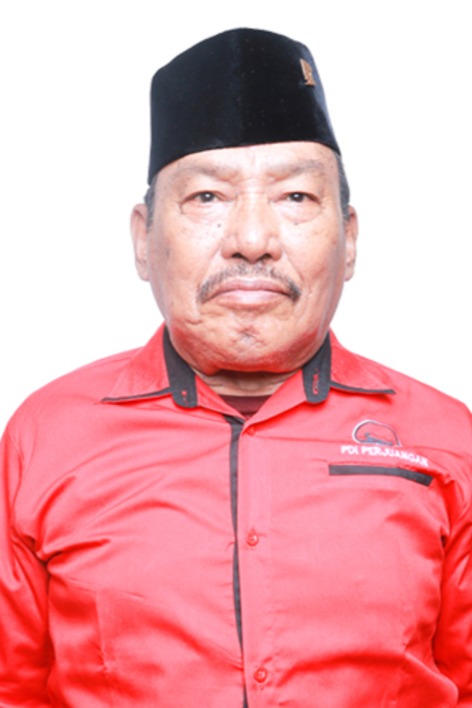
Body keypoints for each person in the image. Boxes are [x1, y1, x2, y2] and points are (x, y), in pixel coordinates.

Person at [0, 27, 471, 707]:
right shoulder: (46, 437)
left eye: (296, 197)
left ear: (349, 240)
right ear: (143, 239)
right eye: (207, 199)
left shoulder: (448, 439)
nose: (252, 240)